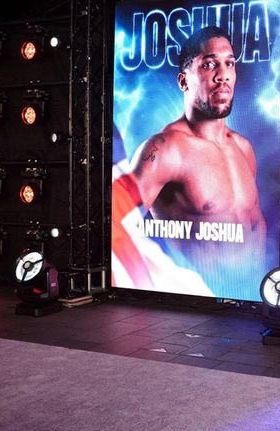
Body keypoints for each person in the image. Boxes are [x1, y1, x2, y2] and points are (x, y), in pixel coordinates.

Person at [111, 26, 266, 294]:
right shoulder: (168, 149)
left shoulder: (243, 148)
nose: (223, 75)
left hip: (253, 297)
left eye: (229, 63)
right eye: (209, 64)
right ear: (184, 81)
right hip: (199, 302)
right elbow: (115, 223)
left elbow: (255, 225)